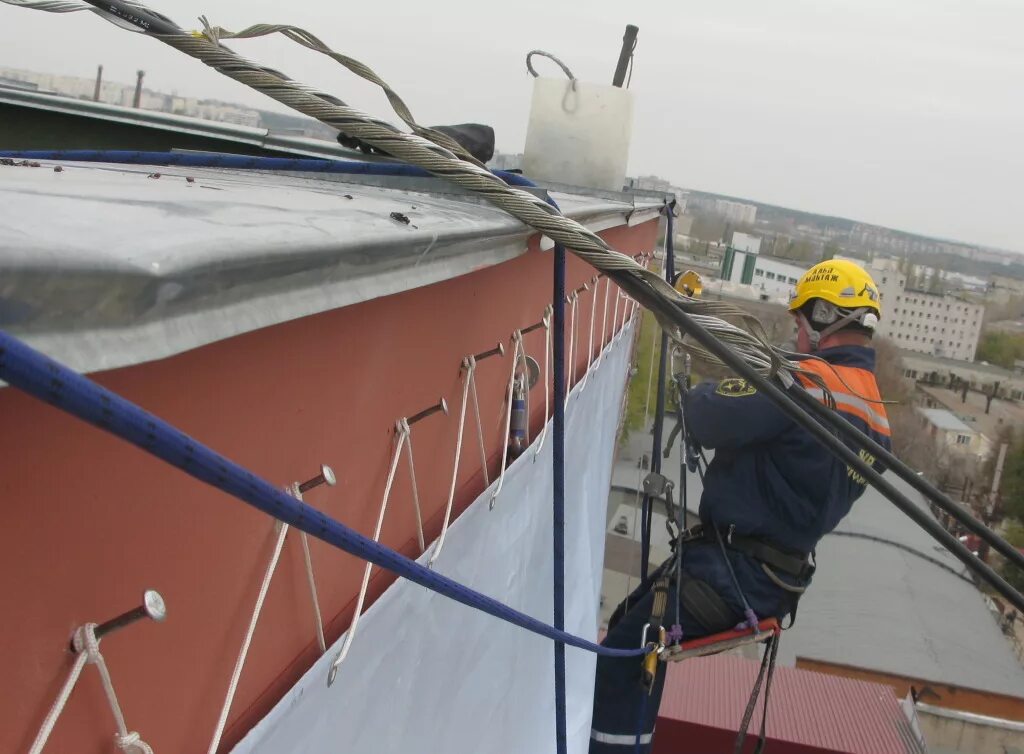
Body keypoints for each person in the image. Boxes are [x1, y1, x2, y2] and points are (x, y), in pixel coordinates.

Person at [589, 259, 892, 752]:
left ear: (822, 315)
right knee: (634, 625)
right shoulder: (877, 416)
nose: (796, 333)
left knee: (627, 649)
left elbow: (707, 415)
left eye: (799, 321)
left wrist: (705, 388)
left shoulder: (806, 382)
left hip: (730, 571)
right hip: (774, 582)